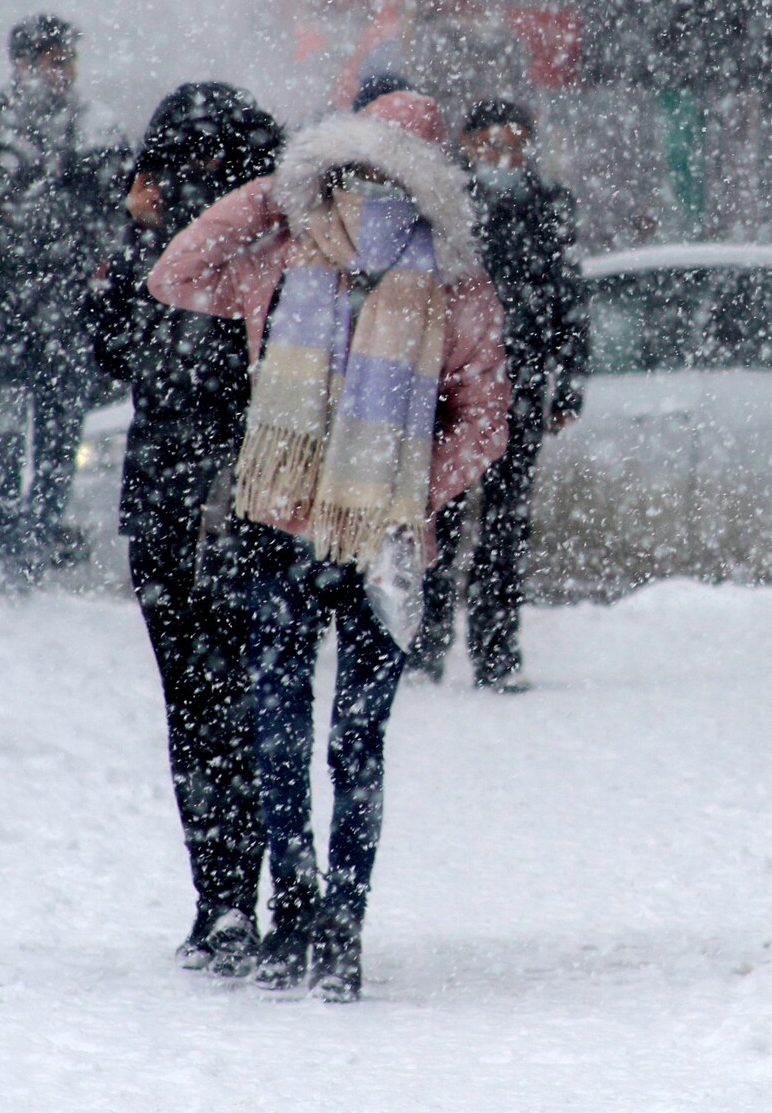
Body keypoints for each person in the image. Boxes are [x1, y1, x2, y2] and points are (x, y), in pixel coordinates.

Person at [148, 91, 510, 1001]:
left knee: (316, 735)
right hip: (318, 539)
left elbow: (486, 420)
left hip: (347, 542)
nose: (361, 185)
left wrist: (396, 492)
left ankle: (320, 917)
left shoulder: (429, 278)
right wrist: (275, 193)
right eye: (349, 166)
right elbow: (176, 272)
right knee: (325, 738)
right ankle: (322, 919)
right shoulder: (304, 255)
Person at [85, 83, 282, 975]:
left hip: (246, 502)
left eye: (209, 160)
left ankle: (253, 892)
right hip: (179, 505)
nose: (194, 178)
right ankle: (227, 897)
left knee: (237, 707)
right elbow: (106, 350)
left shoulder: (270, 245)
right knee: (205, 709)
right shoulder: (160, 249)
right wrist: (131, 234)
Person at [0, 14, 131, 588]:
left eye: (67, 60)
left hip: (66, 313)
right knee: (5, 436)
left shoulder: (97, 129)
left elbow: (124, 210)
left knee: (60, 441)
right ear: (23, 66)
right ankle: (3, 544)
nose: (63, 72)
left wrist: (107, 250)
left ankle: (37, 541)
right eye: (52, 61)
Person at [407, 99, 587, 693]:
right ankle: (426, 643)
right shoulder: (444, 205)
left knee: (507, 525)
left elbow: (569, 296)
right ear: (467, 143)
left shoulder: (548, 206)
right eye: (492, 144)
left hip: (522, 384)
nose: (504, 158)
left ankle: (497, 650)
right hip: (451, 387)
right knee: (441, 517)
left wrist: (570, 383)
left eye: (516, 145)